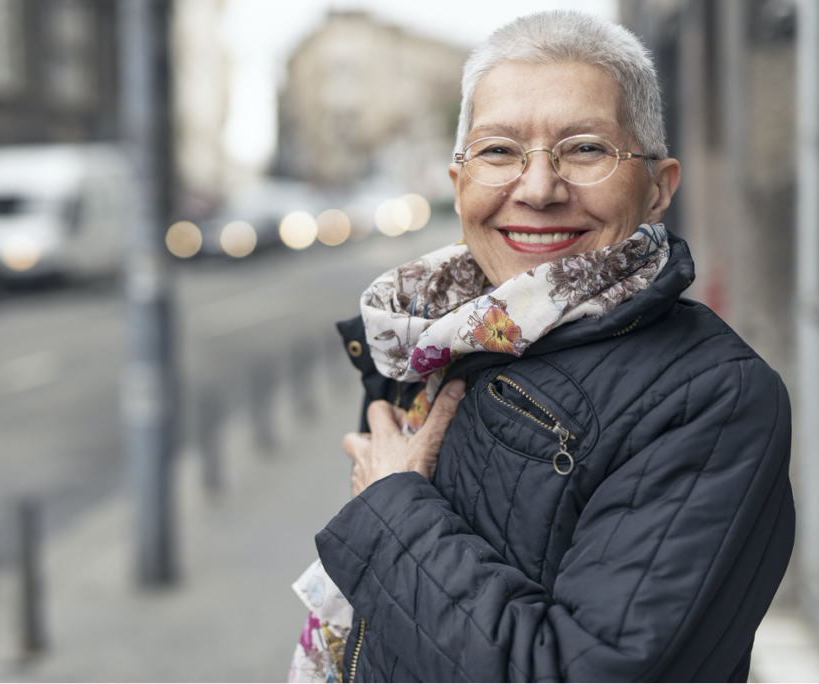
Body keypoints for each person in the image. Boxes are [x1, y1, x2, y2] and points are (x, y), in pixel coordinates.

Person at [314, 10, 794, 683]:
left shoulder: (713, 396)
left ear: (659, 187)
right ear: (459, 185)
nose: (538, 189)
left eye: (586, 148)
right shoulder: (429, 336)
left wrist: (391, 507)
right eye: (499, 151)